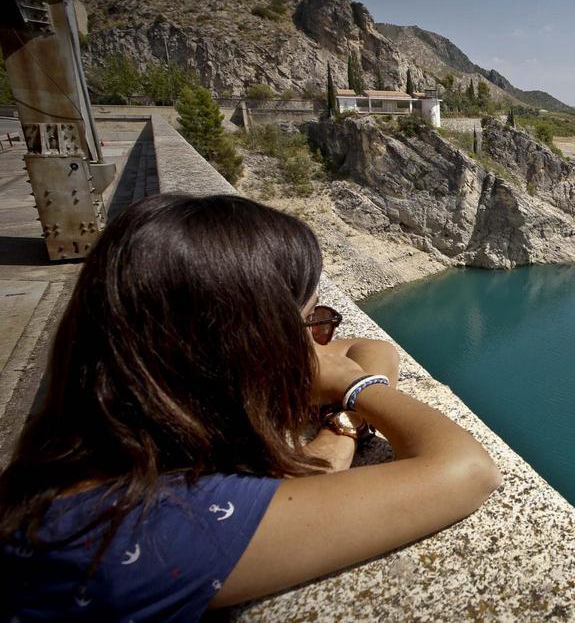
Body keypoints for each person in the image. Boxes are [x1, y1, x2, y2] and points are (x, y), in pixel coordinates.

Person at [0, 194, 501, 620]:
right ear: (243, 352)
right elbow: (469, 471)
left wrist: (340, 426)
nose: (319, 343)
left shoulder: (90, 446)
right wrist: (357, 392)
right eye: (309, 324)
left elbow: (373, 348)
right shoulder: (155, 531)